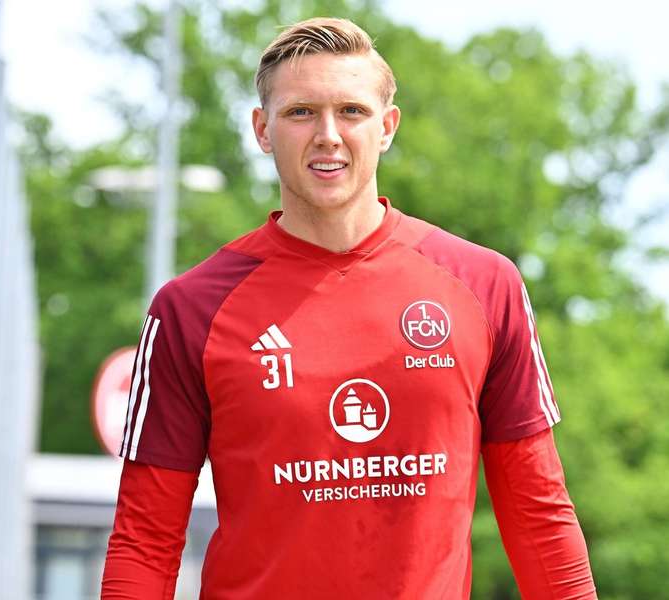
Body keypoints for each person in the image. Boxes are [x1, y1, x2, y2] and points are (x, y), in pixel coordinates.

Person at [101, 17, 597, 599]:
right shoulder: (190, 309)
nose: (328, 135)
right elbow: (146, 538)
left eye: (352, 112)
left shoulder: (484, 285)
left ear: (387, 127)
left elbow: (537, 511)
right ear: (263, 130)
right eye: (301, 112)